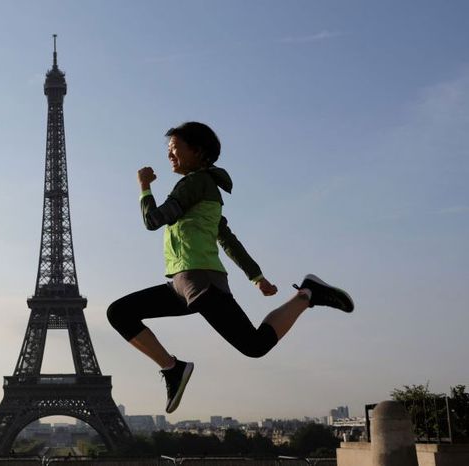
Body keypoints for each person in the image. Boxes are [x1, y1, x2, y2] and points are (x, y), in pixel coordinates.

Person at [106, 121, 353, 413]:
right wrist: (256, 276)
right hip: (181, 284)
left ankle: (307, 294)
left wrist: (145, 188)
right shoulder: (206, 190)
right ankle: (172, 368)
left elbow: (154, 220)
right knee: (119, 312)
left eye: (175, 149)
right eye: (169, 150)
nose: (170, 155)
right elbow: (227, 239)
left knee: (254, 345)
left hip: (199, 282)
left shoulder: (195, 183)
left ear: (198, 152)